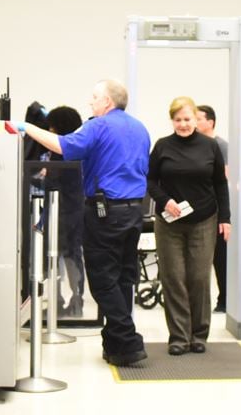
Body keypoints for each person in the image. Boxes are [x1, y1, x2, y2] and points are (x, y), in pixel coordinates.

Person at [19, 79, 151, 368]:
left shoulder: (98, 125)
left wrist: (26, 128)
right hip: (133, 212)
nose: (90, 102)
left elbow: (64, 146)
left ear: (107, 102)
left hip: (106, 212)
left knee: (103, 280)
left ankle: (129, 341)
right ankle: (115, 346)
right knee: (123, 278)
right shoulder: (139, 128)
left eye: (94, 97)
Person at [148, 97, 230, 355]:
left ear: (197, 120)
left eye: (187, 119)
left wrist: (225, 219)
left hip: (204, 220)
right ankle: (179, 337)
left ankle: (199, 334)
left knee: (198, 277)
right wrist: (165, 200)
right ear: (172, 121)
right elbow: (150, 180)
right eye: (178, 120)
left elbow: (220, 184)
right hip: (169, 223)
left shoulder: (210, 147)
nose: (183, 124)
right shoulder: (162, 146)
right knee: (174, 278)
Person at [44, 105, 85, 317]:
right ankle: (69, 300)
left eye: (51, 128)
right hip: (67, 209)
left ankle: (74, 301)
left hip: (67, 210)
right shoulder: (74, 148)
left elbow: (56, 180)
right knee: (65, 256)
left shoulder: (65, 151)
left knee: (67, 255)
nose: (49, 131)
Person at [196, 104, 229, 313]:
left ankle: (224, 299)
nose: (195, 122)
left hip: (217, 209)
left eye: (198, 118)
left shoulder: (221, 146)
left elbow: (223, 179)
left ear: (210, 122)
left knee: (220, 257)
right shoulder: (199, 146)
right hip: (201, 210)